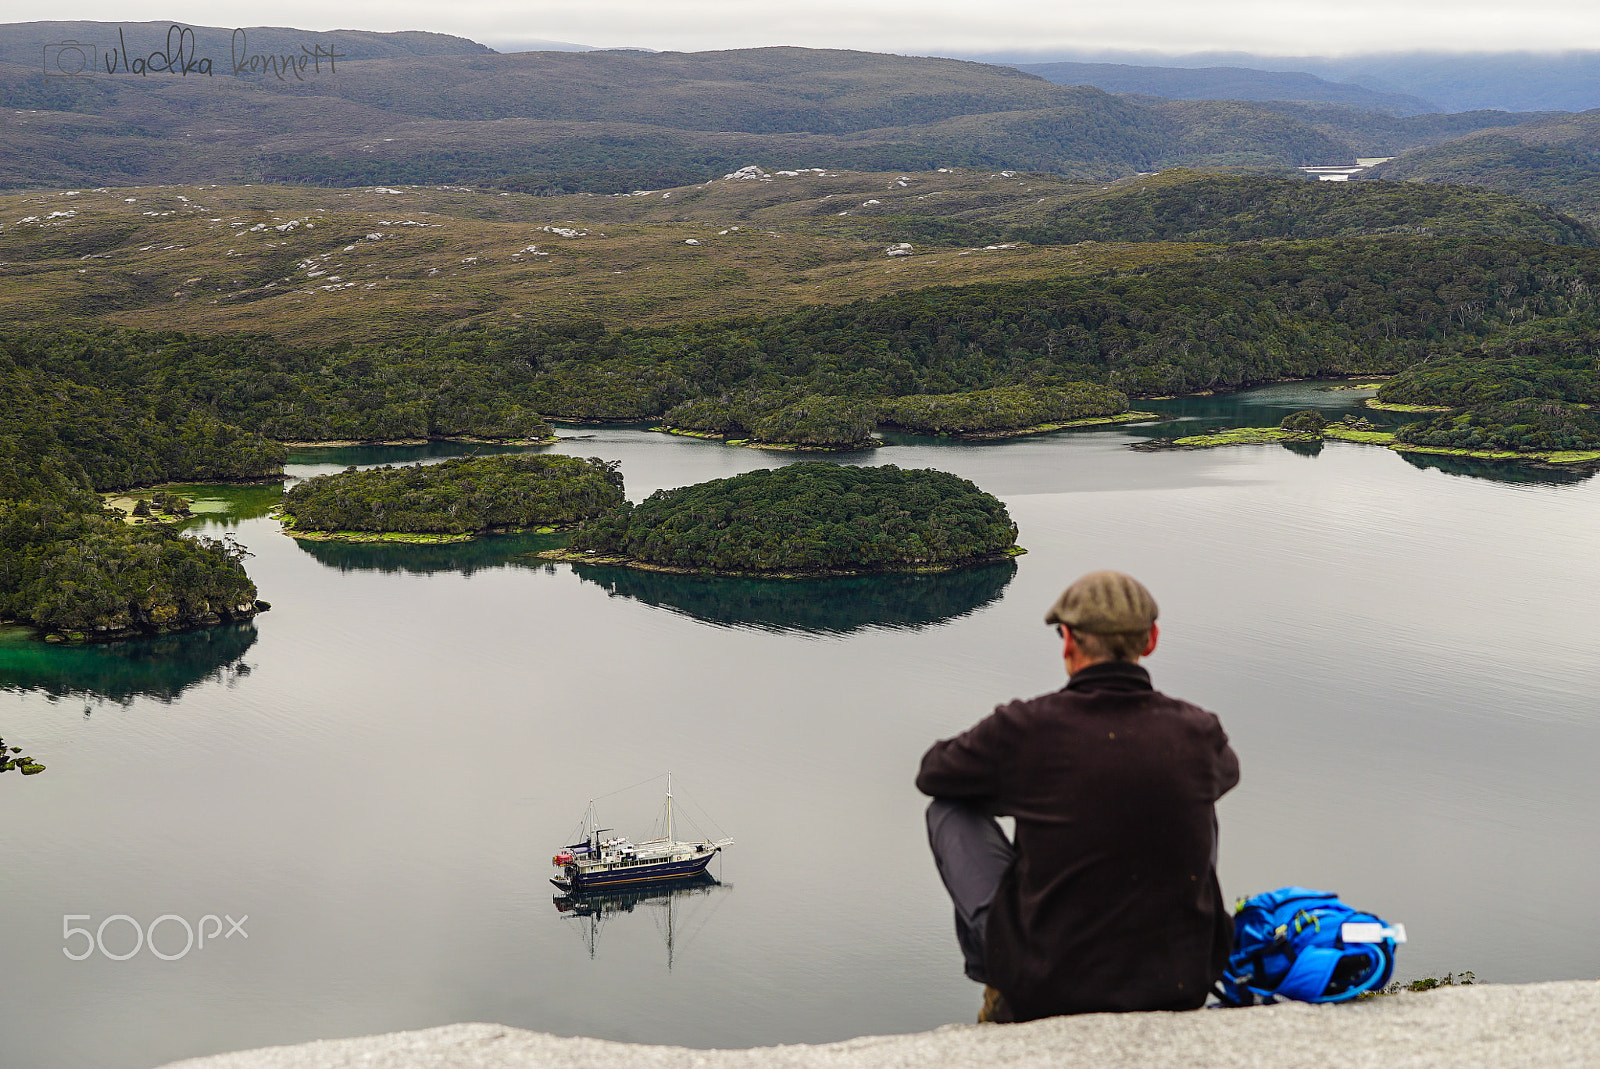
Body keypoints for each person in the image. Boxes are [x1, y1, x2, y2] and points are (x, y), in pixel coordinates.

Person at [917, 570, 1240, 1023]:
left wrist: (1025, 793)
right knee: (1189, 792)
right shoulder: (1198, 731)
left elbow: (934, 773)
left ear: (1067, 641)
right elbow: (1228, 775)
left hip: (1045, 986)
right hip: (1180, 982)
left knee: (950, 808)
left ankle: (995, 972)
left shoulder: (1025, 729)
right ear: (1151, 641)